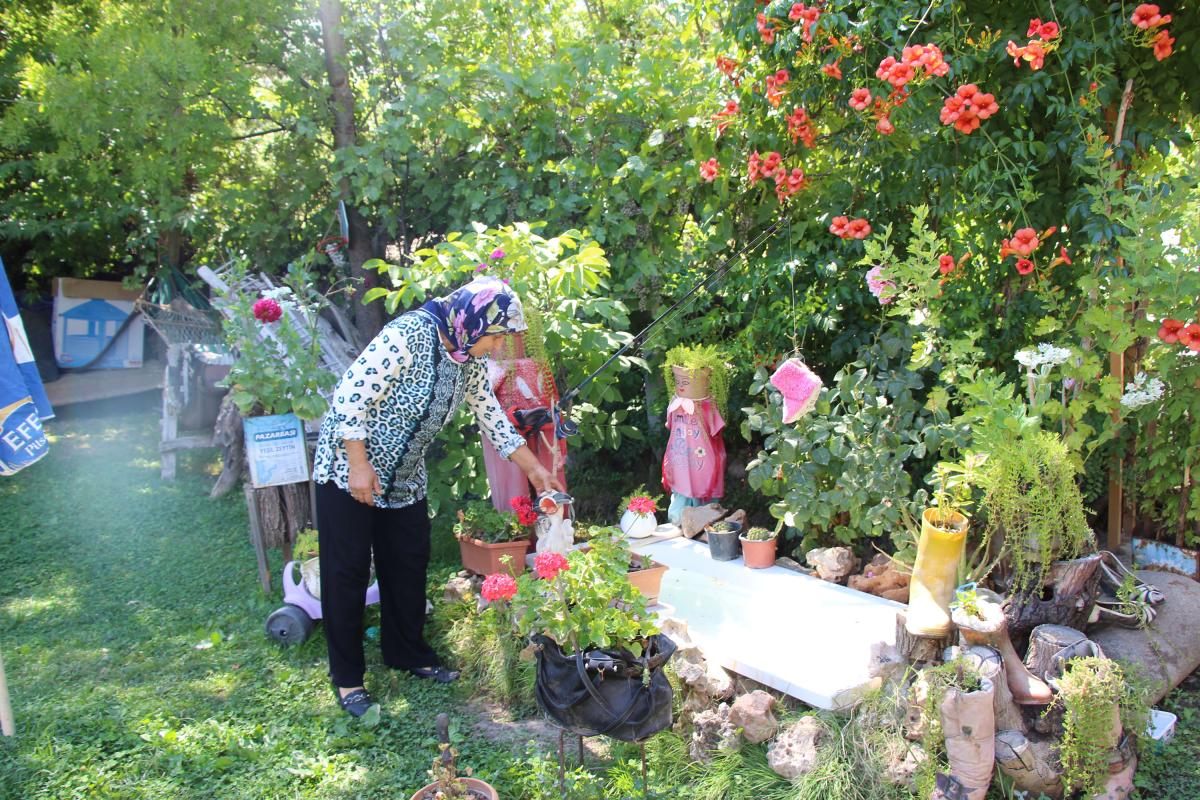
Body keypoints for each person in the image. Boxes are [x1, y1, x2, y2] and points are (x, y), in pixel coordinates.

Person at [311, 275, 562, 717]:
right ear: (474, 319)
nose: (499, 347)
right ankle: (348, 679)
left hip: (404, 475)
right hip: (350, 468)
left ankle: (407, 653)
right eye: (497, 335)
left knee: (407, 562)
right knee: (346, 572)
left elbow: (492, 417)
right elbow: (349, 397)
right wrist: (358, 464)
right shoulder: (408, 334)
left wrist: (536, 469)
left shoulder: (466, 355)